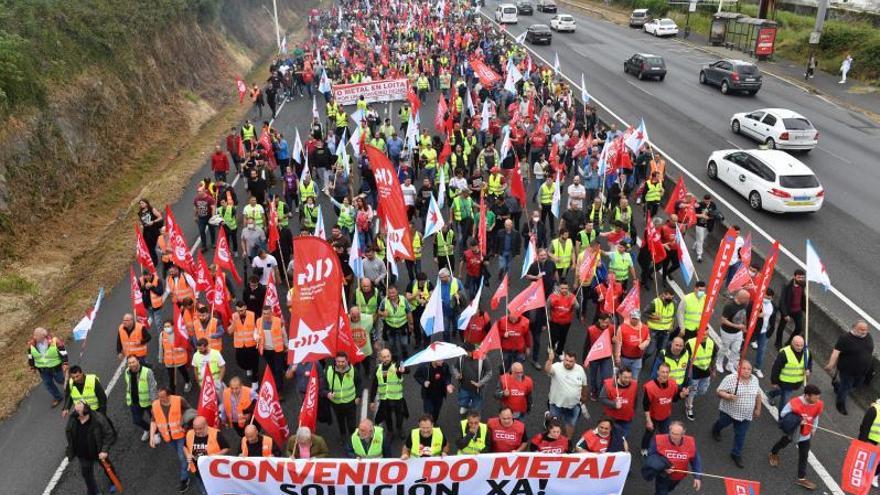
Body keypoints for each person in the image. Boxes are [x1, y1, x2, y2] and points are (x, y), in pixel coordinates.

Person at [768, 384, 823, 490]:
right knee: (783, 443)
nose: (817, 400)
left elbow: (816, 416)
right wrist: (798, 420)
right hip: (794, 431)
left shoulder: (818, 404)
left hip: (806, 434)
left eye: (818, 397)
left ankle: (801, 478)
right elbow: (783, 414)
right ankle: (773, 453)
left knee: (804, 455)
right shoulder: (795, 402)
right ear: (807, 396)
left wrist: (814, 428)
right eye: (815, 397)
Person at [711, 360, 762, 468]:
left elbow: (758, 395)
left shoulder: (755, 380)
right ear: (738, 368)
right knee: (722, 423)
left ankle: (736, 454)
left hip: (746, 415)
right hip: (729, 412)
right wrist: (728, 396)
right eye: (744, 368)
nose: (747, 371)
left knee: (741, 435)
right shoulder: (730, 378)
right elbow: (718, 391)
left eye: (749, 369)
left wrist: (758, 408)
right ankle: (716, 429)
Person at [65, 401, 116, 495]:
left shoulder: (98, 419)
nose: (76, 413)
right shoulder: (73, 419)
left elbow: (109, 434)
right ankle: (93, 491)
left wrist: (104, 450)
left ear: (86, 410)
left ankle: (114, 482)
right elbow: (69, 432)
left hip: (98, 451)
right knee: (87, 475)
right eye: (76, 410)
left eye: (79, 411)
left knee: (107, 467)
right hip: (82, 455)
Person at [826, 320, 874, 415]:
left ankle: (838, 386)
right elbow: (836, 353)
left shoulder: (868, 336)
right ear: (854, 328)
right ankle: (840, 403)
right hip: (847, 371)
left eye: (866, 329)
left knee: (856, 385)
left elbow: (869, 351)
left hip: (863, 370)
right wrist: (831, 364)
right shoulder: (845, 338)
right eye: (861, 329)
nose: (864, 331)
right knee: (846, 388)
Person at [149, 387, 191, 492]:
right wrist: (151, 437)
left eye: (162, 397)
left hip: (181, 434)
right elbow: (153, 421)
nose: (160, 399)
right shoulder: (155, 405)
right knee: (182, 455)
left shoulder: (179, 400)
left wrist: (184, 423)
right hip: (168, 437)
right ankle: (191, 460)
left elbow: (189, 411)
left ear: (169, 395)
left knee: (181, 457)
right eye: (159, 397)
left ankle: (184, 478)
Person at [641, 362, 688, 456]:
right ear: (658, 372)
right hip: (653, 416)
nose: (665, 374)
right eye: (663, 372)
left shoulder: (673, 383)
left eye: (667, 372)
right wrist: (648, 420)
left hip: (666, 415)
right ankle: (644, 448)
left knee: (665, 434)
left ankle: (662, 449)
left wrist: (682, 395)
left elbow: (674, 398)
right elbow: (645, 404)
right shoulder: (649, 387)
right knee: (649, 434)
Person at [544, 349, 589, 439]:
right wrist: (550, 360)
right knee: (554, 426)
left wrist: (584, 396)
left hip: (573, 405)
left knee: (571, 424)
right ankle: (553, 439)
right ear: (564, 359)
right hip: (556, 404)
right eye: (566, 360)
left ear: (575, 361)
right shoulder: (557, 367)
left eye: (571, 361)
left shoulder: (580, 369)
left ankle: (568, 442)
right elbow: (547, 370)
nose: (568, 363)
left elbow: (584, 385)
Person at [648, 421, 702, 495]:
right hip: (663, 476)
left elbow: (695, 460)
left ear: (683, 434)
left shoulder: (690, 443)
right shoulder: (659, 440)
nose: (673, 436)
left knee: (669, 489)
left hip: (678, 477)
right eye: (672, 433)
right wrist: (662, 467)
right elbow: (651, 456)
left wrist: (697, 476)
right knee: (661, 492)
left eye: (677, 434)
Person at [370, 348, 408, 440]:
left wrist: (402, 370)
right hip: (384, 399)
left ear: (391, 356)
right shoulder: (378, 369)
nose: (386, 358)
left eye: (388, 356)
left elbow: (405, 370)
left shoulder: (396, 366)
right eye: (384, 357)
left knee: (400, 416)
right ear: (380, 358)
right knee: (387, 417)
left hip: (397, 398)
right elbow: (374, 385)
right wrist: (372, 400)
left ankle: (399, 428)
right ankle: (390, 431)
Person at [186, 416, 230, 495]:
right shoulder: (189, 434)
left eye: (200, 428)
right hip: (198, 471)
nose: (197, 431)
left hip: (214, 471)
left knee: (219, 489)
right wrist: (188, 455)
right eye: (195, 428)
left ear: (206, 425)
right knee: (205, 491)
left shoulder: (217, 434)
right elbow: (184, 446)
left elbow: (227, 448)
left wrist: (216, 455)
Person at [767, 335, 811, 414]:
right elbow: (776, 368)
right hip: (785, 382)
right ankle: (781, 418)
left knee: (781, 391)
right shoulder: (784, 353)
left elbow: (809, 363)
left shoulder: (807, 352)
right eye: (797, 345)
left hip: (797, 382)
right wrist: (774, 381)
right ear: (792, 343)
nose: (800, 347)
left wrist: (808, 369)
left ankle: (771, 394)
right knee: (785, 401)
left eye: (801, 345)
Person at [28, 327, 69, 407]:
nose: (35, 337)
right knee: (48, 383)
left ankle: (71, 388)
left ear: (43, 335)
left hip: (55, 367)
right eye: (34, 335)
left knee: (61, 380)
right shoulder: (32, 344)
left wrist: (65, 363)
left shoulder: (54, 341)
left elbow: (63, 352)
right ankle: (57, 397)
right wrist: (32, 366)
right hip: (42, 369)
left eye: (37, 336)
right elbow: (30, 356)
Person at [324, 352, 361, 439]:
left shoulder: (353, 370)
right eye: (338, 361)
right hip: (336, 403)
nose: (340, 363)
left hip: (350, 402)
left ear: (347, 361)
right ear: (335, 361)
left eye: (343, 361)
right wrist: (327, 393)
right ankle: (343, 436)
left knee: (351, 423)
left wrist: (358, 396)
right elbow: (323, 386)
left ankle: (353, 438)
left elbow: (359, 383)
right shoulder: (329, 371)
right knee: (340, 421)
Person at [124, 355, 158, 442]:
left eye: (133, 362)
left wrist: (154, 404)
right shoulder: (127, 372)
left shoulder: (147, 372)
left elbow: (152, 388)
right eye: (129, 363)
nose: (132, 364)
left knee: (154, 419)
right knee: (136, 420)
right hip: (134, 401)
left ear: (138, 361)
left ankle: (156, 433)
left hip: (148, 401)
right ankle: (148, 429)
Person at [717, 289, 750, 374]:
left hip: (738, 332)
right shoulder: (729, 306)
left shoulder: (744, 304)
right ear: (741, 298)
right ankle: (719, 362)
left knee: (736, 349)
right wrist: (737, 326)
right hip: (727, 332)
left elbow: (744, 315)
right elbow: (723, 320)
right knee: (724, 348)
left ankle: (730, 364)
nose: (748, 300)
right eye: (747, 298)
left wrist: (744, 326)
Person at [684, 335, 717, 422]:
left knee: (703, 391)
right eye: (703, 334)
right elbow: (684, 358)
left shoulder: (711, 343)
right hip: (694, 372)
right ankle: (689, 407)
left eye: (707, 334)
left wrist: (713, 370)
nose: (705, 336)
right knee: (692, 390)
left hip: (706, 372)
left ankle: (688, 396)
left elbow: (713, 358)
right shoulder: (690, 343)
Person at [600, 367, 638, 439]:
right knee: (607, 436)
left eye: (630, 377)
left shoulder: (634, 384)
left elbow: (635, 400)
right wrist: (614, 404)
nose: (628, 380)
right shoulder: (608, 384)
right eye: (625, 377)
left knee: (622, 438)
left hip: (626, 418)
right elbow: (602, 398)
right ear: (619, 375)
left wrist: (633, 411)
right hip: (611, 417)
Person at [453, 344, 493, 415]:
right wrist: (457, 374)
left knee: (476, 409)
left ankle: (474, 415)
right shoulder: (461, 356)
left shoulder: (483, 357)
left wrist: (481, 382)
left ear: (473, 351)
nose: (464, 354)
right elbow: (454, 367)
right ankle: (465, 406)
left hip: (477, 388)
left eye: (466, 352)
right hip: (464, 386)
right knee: (463, 400)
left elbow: (489, 372)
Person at [378, 285, 413, 361]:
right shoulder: (384, 301)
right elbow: (379, 311)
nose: (392, 295)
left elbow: (409, 312)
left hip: (402, 325)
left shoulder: (403, 300)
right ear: (388, 293)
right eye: (390, 293)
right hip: (390, 327)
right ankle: (394, 356)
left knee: (404, 343)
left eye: (393, 292)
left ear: (397, 292)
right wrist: (383, 313)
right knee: (392, 344)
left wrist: (411, 324)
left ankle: (405, 353)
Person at [255, 304, 286, 391]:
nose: (266, 315)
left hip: (277, 350)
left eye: (268, 313)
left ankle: (279, 390)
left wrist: (286, 345)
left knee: (278, 370)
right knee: (272, 368)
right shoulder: (258, 321)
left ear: (271, 313)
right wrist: (256, 337)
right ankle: (276, 383)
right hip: (266, 351)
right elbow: (256, 332)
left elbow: (284, 335)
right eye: (264, 313)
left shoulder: (278, 321)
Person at [159, 319, 192, 394]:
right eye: (165, 326)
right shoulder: (162, 334)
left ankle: (188, 382)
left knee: (183, 372)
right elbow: (161, 347)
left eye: (168, 326)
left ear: (173, 326)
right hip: (169, 360)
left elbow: (185, 343)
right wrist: (161, 358)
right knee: (171, 377)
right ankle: (172, 392)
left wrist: (181, 349)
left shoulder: (179, 333)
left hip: (179, 359)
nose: (167, 328)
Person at [645, 288, 676, 367]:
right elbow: (644, 313)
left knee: (661, 352)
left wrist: (672, 326)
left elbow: (673, 317)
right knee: (650, 351)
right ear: (664, 294)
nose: (670, 300)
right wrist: (653, 317)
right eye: (669, 297)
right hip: (654, 330)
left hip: (666, 332)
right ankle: (642, 360)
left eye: (672, 298)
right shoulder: (655, 303)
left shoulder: (673, 304)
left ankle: (655, 368)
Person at [775, 269, 806, 349]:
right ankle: (778, 343)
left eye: (802, 278)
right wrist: (785, 314)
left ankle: (789, 342)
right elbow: (782, 301)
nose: (801, 279)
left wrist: (804, 308)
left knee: (799, 328)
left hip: (798, 310)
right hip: (788, 311)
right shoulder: (787, 286)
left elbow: (802, 296)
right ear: (794, 276)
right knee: (781, 327)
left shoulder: (803, 284)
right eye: (799, 277)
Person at [228, 300, 259, 378]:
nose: (240, 312)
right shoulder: (233, 316)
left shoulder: (253, 315)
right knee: (240, 362)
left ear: (245, 307)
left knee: (255, 362)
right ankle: (248, 368)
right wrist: (233, 324)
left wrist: (257, 336)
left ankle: (255, 380)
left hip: (252, 344)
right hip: (240, 345)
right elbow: (229, 332)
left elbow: (258, 328)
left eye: (241, 310)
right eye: (238, 310)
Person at [547, 281, 578, 357]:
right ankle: (551, 347)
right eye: (562, 288)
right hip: (555, 321)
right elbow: (547, 307)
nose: (564, 290)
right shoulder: (552, 296)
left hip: (566, 322)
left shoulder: (572, 297)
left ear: (568, 288)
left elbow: (577, 307)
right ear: (559, 288)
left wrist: (575, 303)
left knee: (563, 338)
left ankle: (559, 352)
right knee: (554, 336)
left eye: (566, 288)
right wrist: (548, 316)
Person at [616, 310, 650, 379]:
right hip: (625, 358)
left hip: (638, 359)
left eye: (636, 319)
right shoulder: (622, 328)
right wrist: (617, 356)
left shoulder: (645, 328)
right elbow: (618, 343)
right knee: (623, 377)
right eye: (633, 318)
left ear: (639, 318)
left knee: (634, 379)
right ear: (630, 317)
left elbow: (648, 339)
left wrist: (644, 344)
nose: (634, 320)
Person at [858, 397, 880, 487]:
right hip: (869, 441)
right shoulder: (874, 409)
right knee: (867, 461)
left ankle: (871, 476)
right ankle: (862, 477)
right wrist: (861, 443)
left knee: (872, 462)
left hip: (876, 442)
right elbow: (865, 427)